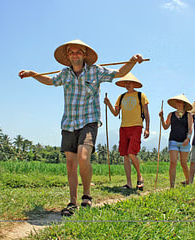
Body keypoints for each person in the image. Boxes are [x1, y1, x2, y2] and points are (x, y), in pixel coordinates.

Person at [18, 39, 144, 216]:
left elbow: (120, 73)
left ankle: (87, 195)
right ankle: (72, 202)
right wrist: (33, 73)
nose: (75, 54)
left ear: (84, 55)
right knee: (71, 163)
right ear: (68, 56)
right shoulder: (64, 74)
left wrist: (132, 60)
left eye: (78, 51)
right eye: (71, 52)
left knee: (84, 157)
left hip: (89, 120)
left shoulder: (96, 71)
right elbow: (49, 80)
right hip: (69, 122)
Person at [104, 73, 149, 190]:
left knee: (131, 153)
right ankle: (129, 183)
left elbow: (147, 113)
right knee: (125, 155)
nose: (127, 85)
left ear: (134, 84)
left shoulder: (141, 95)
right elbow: (115, 113)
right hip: (123, 127)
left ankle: (139, 176)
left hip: (137, 126)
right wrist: (108, 103)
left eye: (129, 83)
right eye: (126, 83)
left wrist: (147, 128)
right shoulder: (121, 97)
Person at [159, 94, 193, 188]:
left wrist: (188, 138)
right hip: (173, 140)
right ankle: (172, 185)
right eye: (177, 102)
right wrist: (162, 118)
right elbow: (165, 127)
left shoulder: (188, 115)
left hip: (185, 141)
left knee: (183, 163)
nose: (178, 103)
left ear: (184, 104)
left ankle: (188, 181)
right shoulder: (171, 114)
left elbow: (190, 128)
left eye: (180, 102)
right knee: (173, 162)